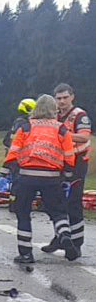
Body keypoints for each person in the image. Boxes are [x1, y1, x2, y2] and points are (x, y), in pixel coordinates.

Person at [3, 94, 78, 263]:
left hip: (27, 176)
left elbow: (13, 152)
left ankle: (25, 253)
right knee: (58, 212)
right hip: (51, 177)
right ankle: (65, 236)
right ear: (54, 110)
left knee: (23, 213)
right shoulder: (61, 129)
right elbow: (69, 157)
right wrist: (66, 175)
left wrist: (14, 171)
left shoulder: (26, 126)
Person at [42, 83, 92, 253]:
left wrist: (64, 135)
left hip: (77, 163)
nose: (62, 101)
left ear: (72, 97)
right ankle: (60, 237)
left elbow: (84, 137)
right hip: (59, 163)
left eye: (65, 97)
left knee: (73, 203)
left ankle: (76, 244)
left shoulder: (79, 115)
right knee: (57, 202)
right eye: (59, 98)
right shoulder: (55, 115)